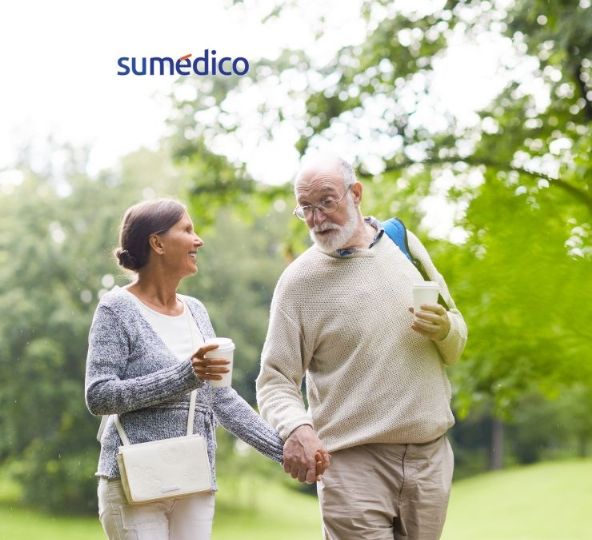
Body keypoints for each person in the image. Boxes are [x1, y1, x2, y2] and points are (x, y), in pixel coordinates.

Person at [84, 199, 327, 540]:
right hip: (133, 482)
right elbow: (99, 395)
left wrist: (282, 449)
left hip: (193, 478)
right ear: (157, 243)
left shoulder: (196, 311)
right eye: (187, 230)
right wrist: (184, 376)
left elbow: (221, 400)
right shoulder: (116, 309)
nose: (199, 240)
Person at [256, 154, 468, 539]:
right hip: (353, 465)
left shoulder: (403, 243)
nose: (317, 218)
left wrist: (444, 330)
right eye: (306, 208)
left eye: (326, 201)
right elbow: (274, 380)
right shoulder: (298, 283)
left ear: (355, 193)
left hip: (430, 458)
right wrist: (296, 427)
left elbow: (455, 339)